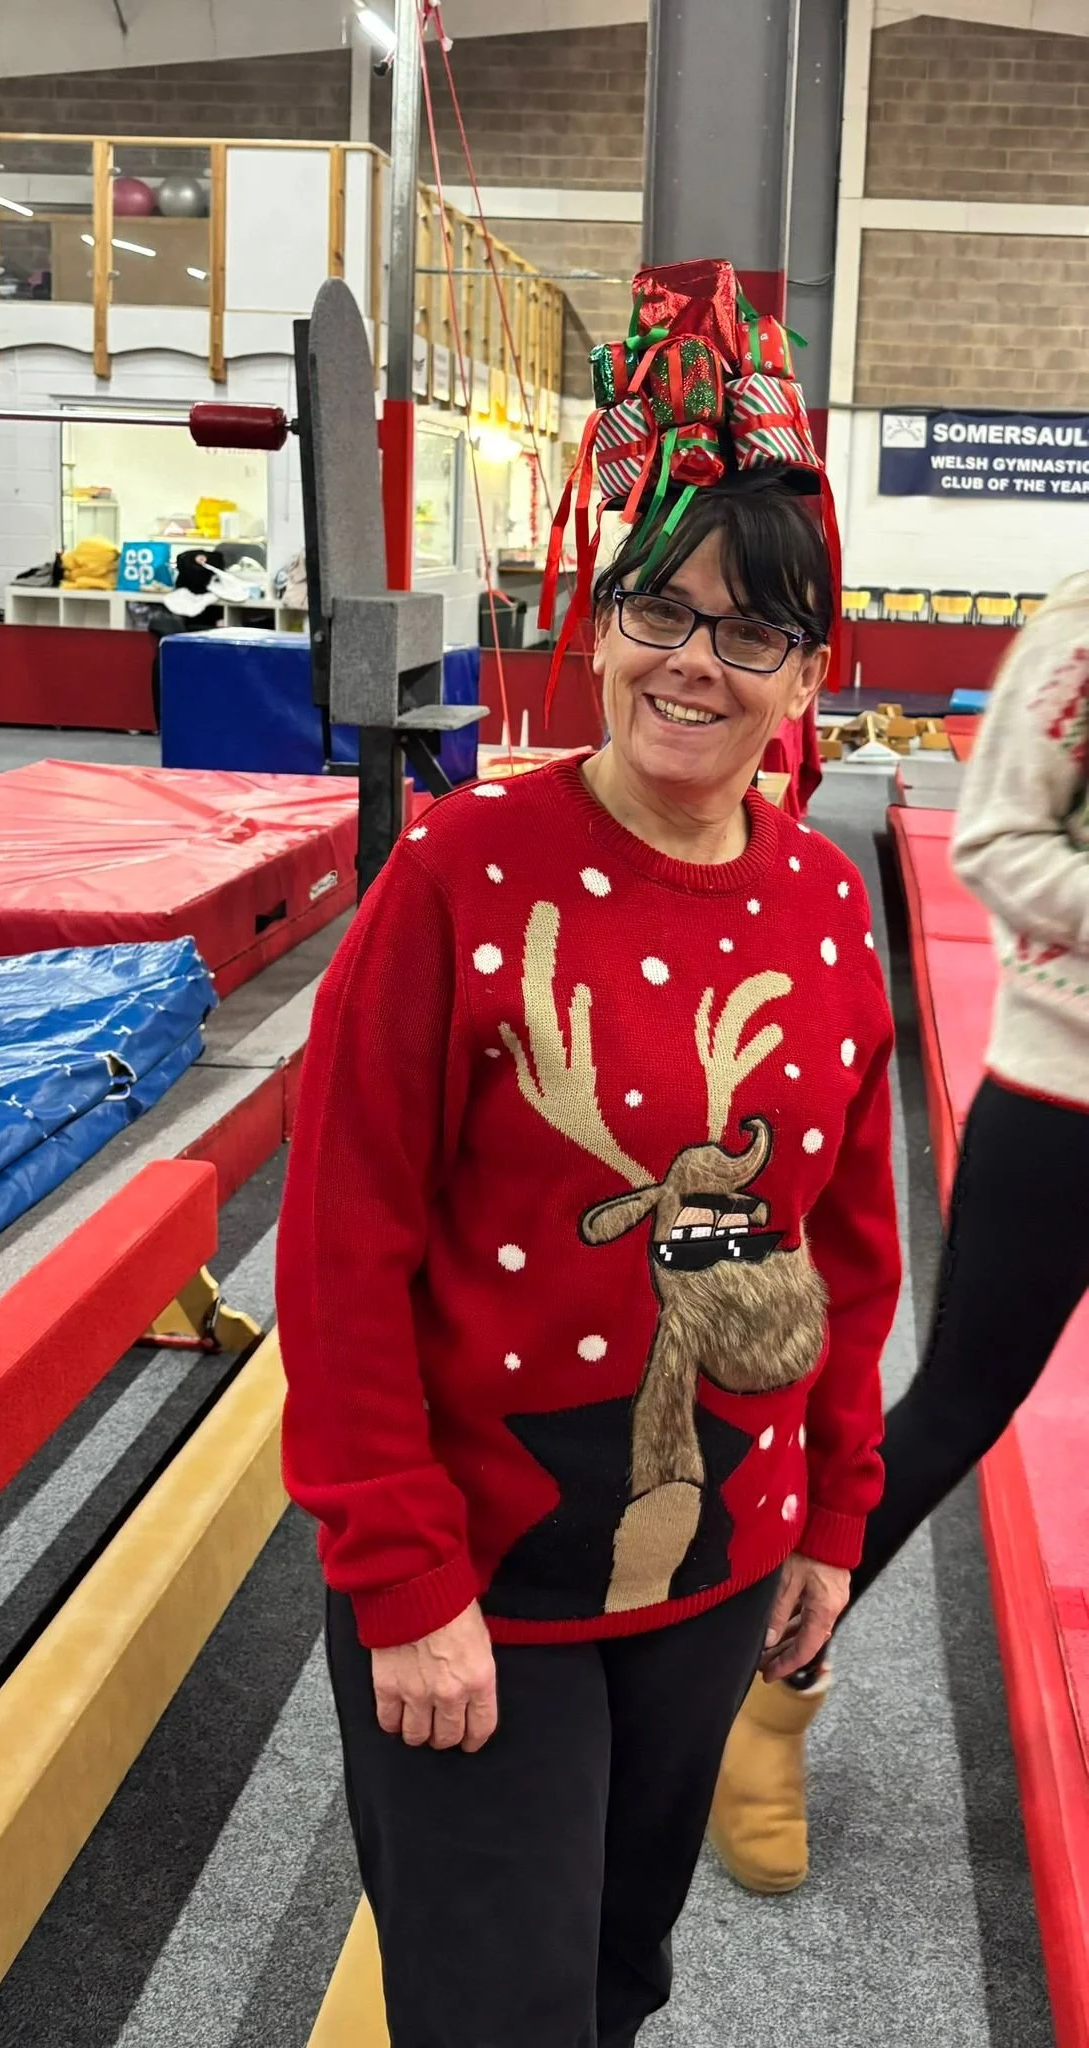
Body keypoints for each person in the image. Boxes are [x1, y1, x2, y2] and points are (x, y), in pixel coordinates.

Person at [276, 261, 901, 2048]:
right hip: (477, 1572)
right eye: (660, 610)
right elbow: (338, 1249)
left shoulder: (822, 903)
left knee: (619, 1978)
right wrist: (402, 1578)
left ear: (806, 674)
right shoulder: (458, 877)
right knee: (499, 2009)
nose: (693, 661)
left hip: (715, 1566)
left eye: (750, 633)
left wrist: (831, 1515)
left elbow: (846, 1251)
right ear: (604, 623)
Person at [712, 570, 1089, 1897]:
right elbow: (997, 843)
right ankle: (766, 1697)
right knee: (958, 1405)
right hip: (1067, 1096)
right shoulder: (1081, 635)